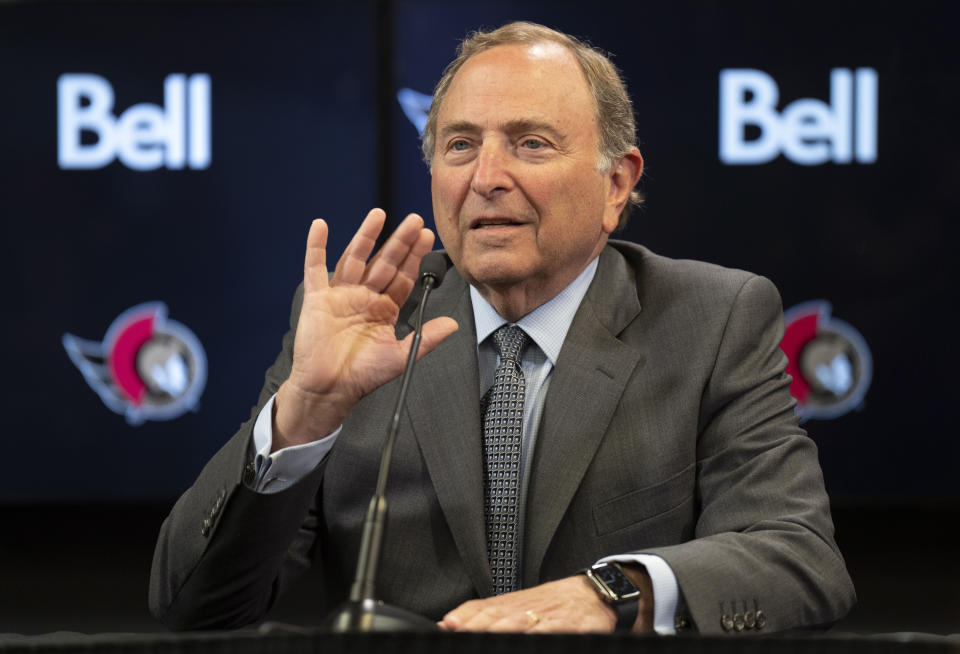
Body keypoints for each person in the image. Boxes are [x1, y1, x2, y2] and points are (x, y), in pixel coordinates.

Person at [149, 21, 855, 635]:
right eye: (460, 145)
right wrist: (304, 413)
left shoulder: (710, 320)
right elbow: (193, 608)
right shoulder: (365, 327)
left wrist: (612, 593)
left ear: (616, 184)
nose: (486, 176)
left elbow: (797, 557)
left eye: (530, 144)